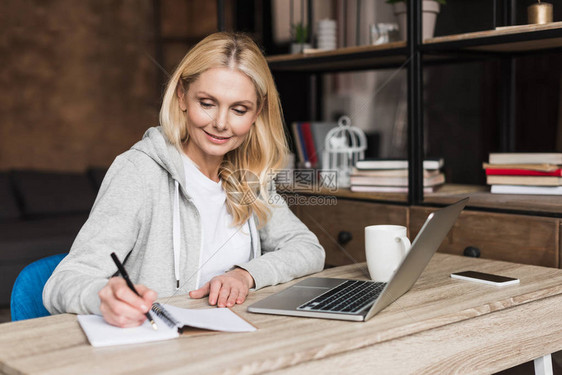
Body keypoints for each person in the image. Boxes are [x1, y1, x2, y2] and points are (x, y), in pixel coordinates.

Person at [43, 32, 325, 328]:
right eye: (207, 103)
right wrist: (102, 296)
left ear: (256, 114)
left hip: (234, 342)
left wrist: (245, 274)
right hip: (157, 350)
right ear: (182, 97)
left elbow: (308, 250)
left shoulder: (249, 177)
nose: (220, 123)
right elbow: (63, 282)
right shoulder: (139, 171)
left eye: (239, 109)